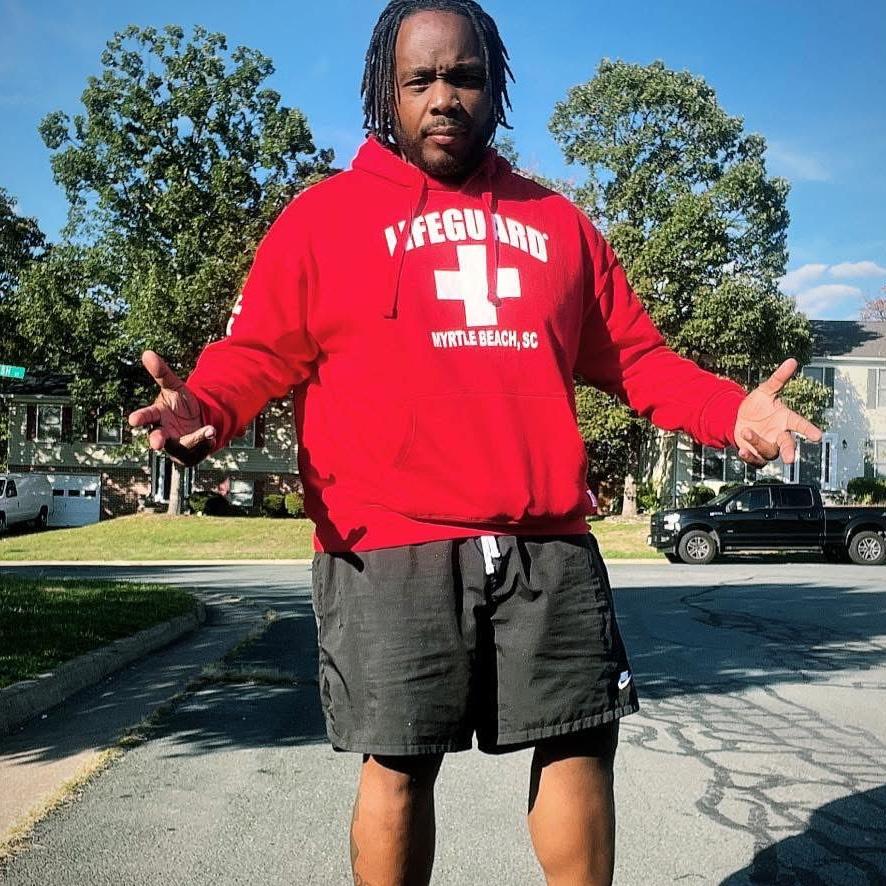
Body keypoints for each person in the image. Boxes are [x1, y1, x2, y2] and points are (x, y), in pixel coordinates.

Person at [129, 2, 821, 883]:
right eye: (420, 79)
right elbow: (259, 353)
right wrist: (205, 407)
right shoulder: (321, 219)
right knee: (399, 762)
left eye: (463, 76)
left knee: (580, 742)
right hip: (387, 541)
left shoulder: (558, 224)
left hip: (547, 540)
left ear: (494, 87)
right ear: (386, 92)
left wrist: (729, 411)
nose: (443, 97)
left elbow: (638, 359)